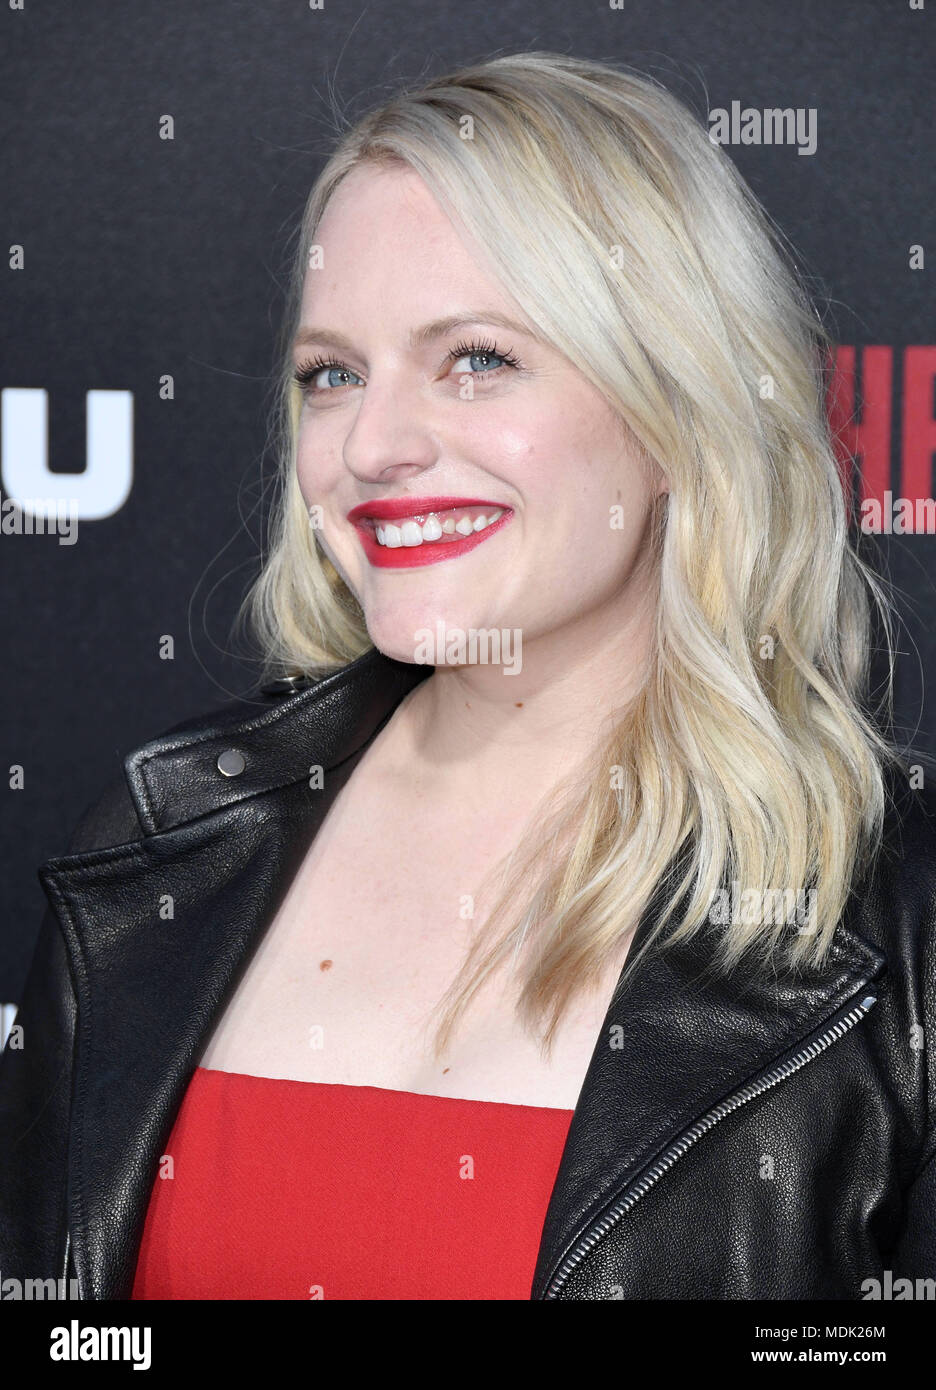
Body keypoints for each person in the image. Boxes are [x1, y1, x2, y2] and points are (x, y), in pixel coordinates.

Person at [1, 50, 934, 1302]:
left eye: (478, 358)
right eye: (332, 374)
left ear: (678, 411)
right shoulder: (163, 849)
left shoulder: (900, 929)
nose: (373, 445)